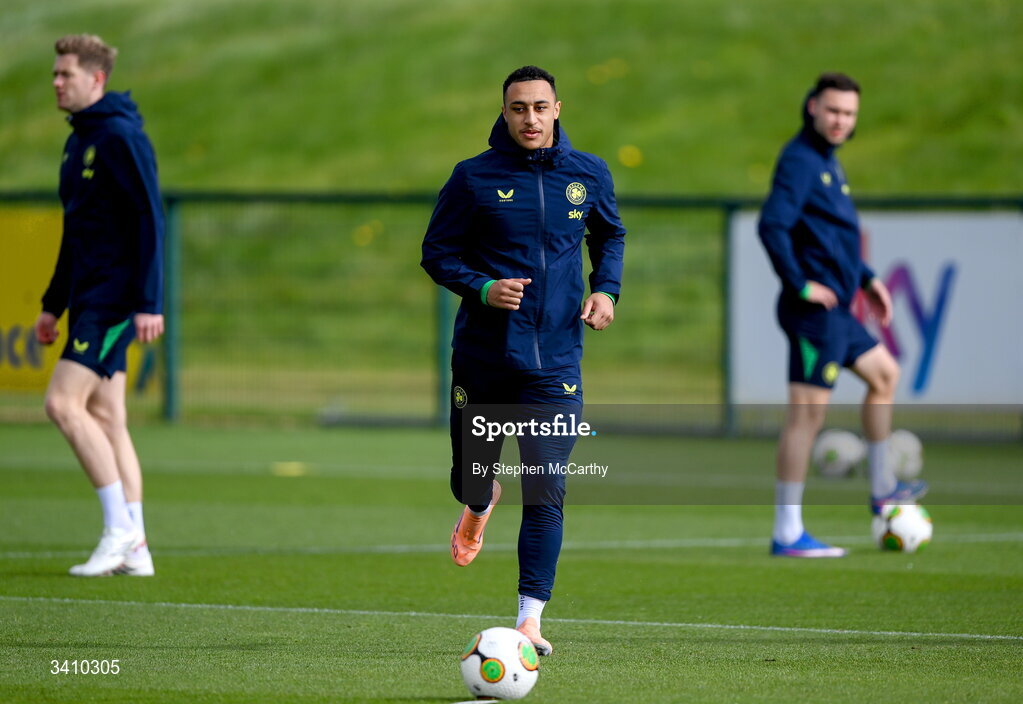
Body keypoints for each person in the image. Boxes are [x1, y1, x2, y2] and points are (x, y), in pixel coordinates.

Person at [422, 66, 625, 653]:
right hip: (485, 359)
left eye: (540, 107)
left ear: (557, 109)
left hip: (555, 362)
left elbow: (609, 236)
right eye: (518, 108)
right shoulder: (472, 179)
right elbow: (436, 254)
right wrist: (483, 288)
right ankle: (479, 504)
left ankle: (530, 617)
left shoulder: (588, 174)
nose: (529, 118)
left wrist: (606, 290)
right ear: (504, 112)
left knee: (547, 487)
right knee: (471, 480)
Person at [757, 72, 927, 558]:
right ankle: (788, 532)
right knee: (807, 417)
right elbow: (773, 226)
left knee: (885, 374)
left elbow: (832, 237)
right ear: (812, 107)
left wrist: (868, 277)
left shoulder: (828, 162)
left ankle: (883, 490)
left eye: (849, 114)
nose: (840, 121)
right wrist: (800, 284)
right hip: (814, 313)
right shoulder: (800, 161)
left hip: (838, 312)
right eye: (833, 110)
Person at [35, 34, 164, 577]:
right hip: (88, 298)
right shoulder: (79, 140)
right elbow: (76, 231)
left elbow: (150, 218)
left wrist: (148, 301)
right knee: (108, 416)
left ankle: (119, 532)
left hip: (114, 301)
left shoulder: (119, 137)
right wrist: (52, 304)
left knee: (63, 405)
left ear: (97, 79)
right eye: (56, 73)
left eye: (66, 74)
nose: (57, 82)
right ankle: (137, 550)